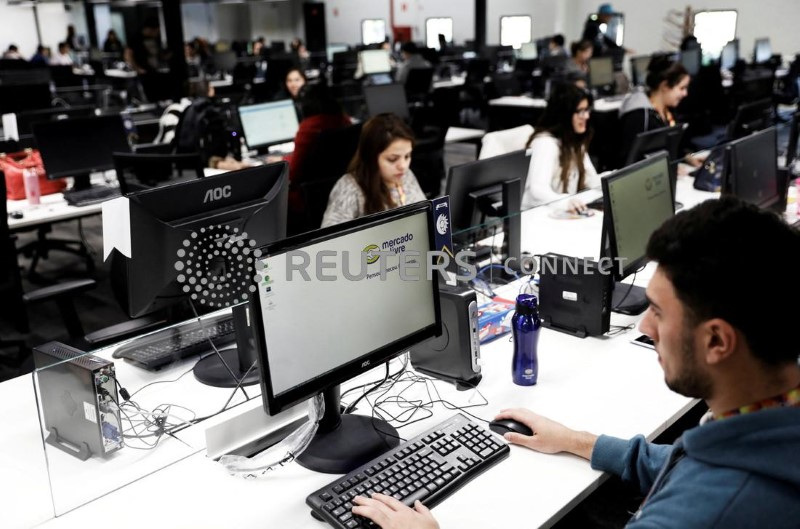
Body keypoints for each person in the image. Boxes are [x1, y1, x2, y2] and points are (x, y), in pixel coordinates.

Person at [352, 196, 800, 529]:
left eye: (659, 311)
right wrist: (576, 440)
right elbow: (688, 460)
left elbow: (704, 484)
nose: (645, 325)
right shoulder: (771, 416)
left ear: (718, 341)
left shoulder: (706, 513)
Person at [321, 113, 426, 227]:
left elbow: (425, 216)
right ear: (371, 157)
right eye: (392, 159)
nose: (403, 166)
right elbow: (332, 240)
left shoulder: (406, 175)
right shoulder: (349, 187)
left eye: (407, 156)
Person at [521, 84, 599, 212]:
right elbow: (538, 190)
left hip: (560, 213)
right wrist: (566, 202)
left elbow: (590, 178)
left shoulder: (574, 140)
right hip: (538, 217)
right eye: (580, 111)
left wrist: (611, 179)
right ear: (565, 114)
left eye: (587, 110)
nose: (586, 116)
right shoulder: (545, 143)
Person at [618, 56, 689, 165]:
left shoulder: (669, 110)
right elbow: (630, 161)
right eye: (681, 88)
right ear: (664, 86)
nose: (685, 93)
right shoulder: (638, 116)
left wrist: (686, 157)